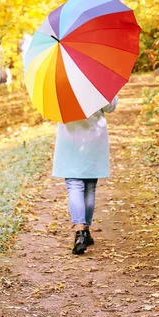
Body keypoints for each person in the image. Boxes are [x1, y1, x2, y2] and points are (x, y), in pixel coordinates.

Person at [52, 96, 118, 255]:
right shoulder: (99, 79)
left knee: (74, 185)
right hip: (93, 138)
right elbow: (111, 107)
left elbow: (54, 111)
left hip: (70, 138)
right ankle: (86, 232)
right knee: (89, 187)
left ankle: (80, 233)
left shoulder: (62, 80)